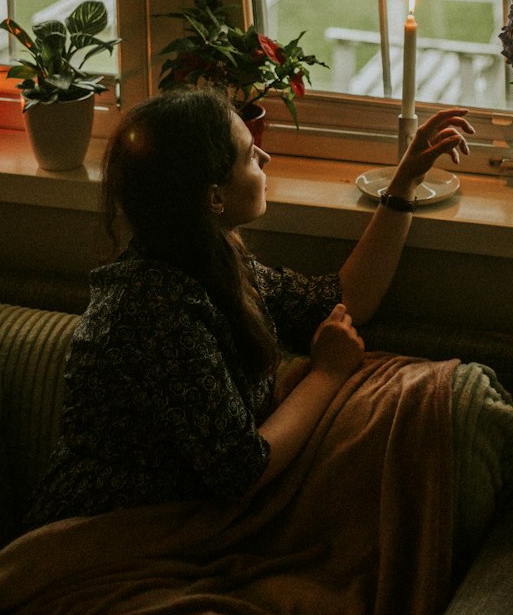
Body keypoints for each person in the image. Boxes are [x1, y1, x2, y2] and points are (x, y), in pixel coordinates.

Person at [27, 87, 473, 527]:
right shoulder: (152, 309)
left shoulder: (213, 262)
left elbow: (341, 300)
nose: (265, 159)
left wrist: (405, 181)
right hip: (102, 530)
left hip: (171, 523)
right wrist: (327, 373)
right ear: (214, 196)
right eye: (248, 153)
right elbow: (243, 471)